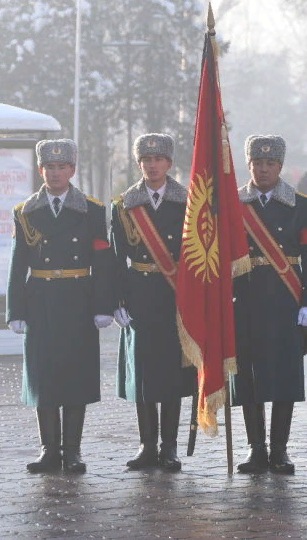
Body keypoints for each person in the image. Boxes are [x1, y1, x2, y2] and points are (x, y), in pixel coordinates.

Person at [7, 139, 115, 473]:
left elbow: (103, 260)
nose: (55, 173)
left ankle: (73, 450)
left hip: (78, 299)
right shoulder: (26, 211)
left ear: (72, 169)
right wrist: (16, 310)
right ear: (41, 170)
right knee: (44, 374)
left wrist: (104, 304)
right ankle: (48, 449)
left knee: (75, 374)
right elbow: (18, 263)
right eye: (49, 167)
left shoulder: (92, 209)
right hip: (40, 298)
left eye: (62, 167)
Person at [232, 135, 307, 473]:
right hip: (246, 299)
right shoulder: (232, 203)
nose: (264, 169)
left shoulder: (301, 205)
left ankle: (280, 449)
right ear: (249, 165)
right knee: (249, 378)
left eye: (270, 164)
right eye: (258, 163)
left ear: (280, 167)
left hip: (286, 299)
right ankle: (256, 448)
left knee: (284, 376)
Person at [111, 134, 195, 472]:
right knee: (144, 372)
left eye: (158, 159)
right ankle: (147, 445)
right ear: (139, 163)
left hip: (176, 296)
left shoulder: (187, 202)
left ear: (169, 164)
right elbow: (116, 258)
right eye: (146, 159)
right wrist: (117, 299)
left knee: (172, 372)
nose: (151, 164)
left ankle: (169, 447)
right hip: (140, 294)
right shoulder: (124, 205)